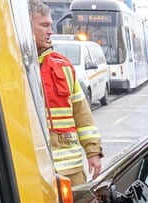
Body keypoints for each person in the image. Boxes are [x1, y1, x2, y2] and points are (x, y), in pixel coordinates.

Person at [29, 0, 102, 185]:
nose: (50, 31)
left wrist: (93, 152)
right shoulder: (14, 67)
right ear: (26, 27)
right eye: (44, 25)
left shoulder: (63, 66)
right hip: (35, 170)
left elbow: (82, 112)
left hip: (72, 170)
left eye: (50, 26)